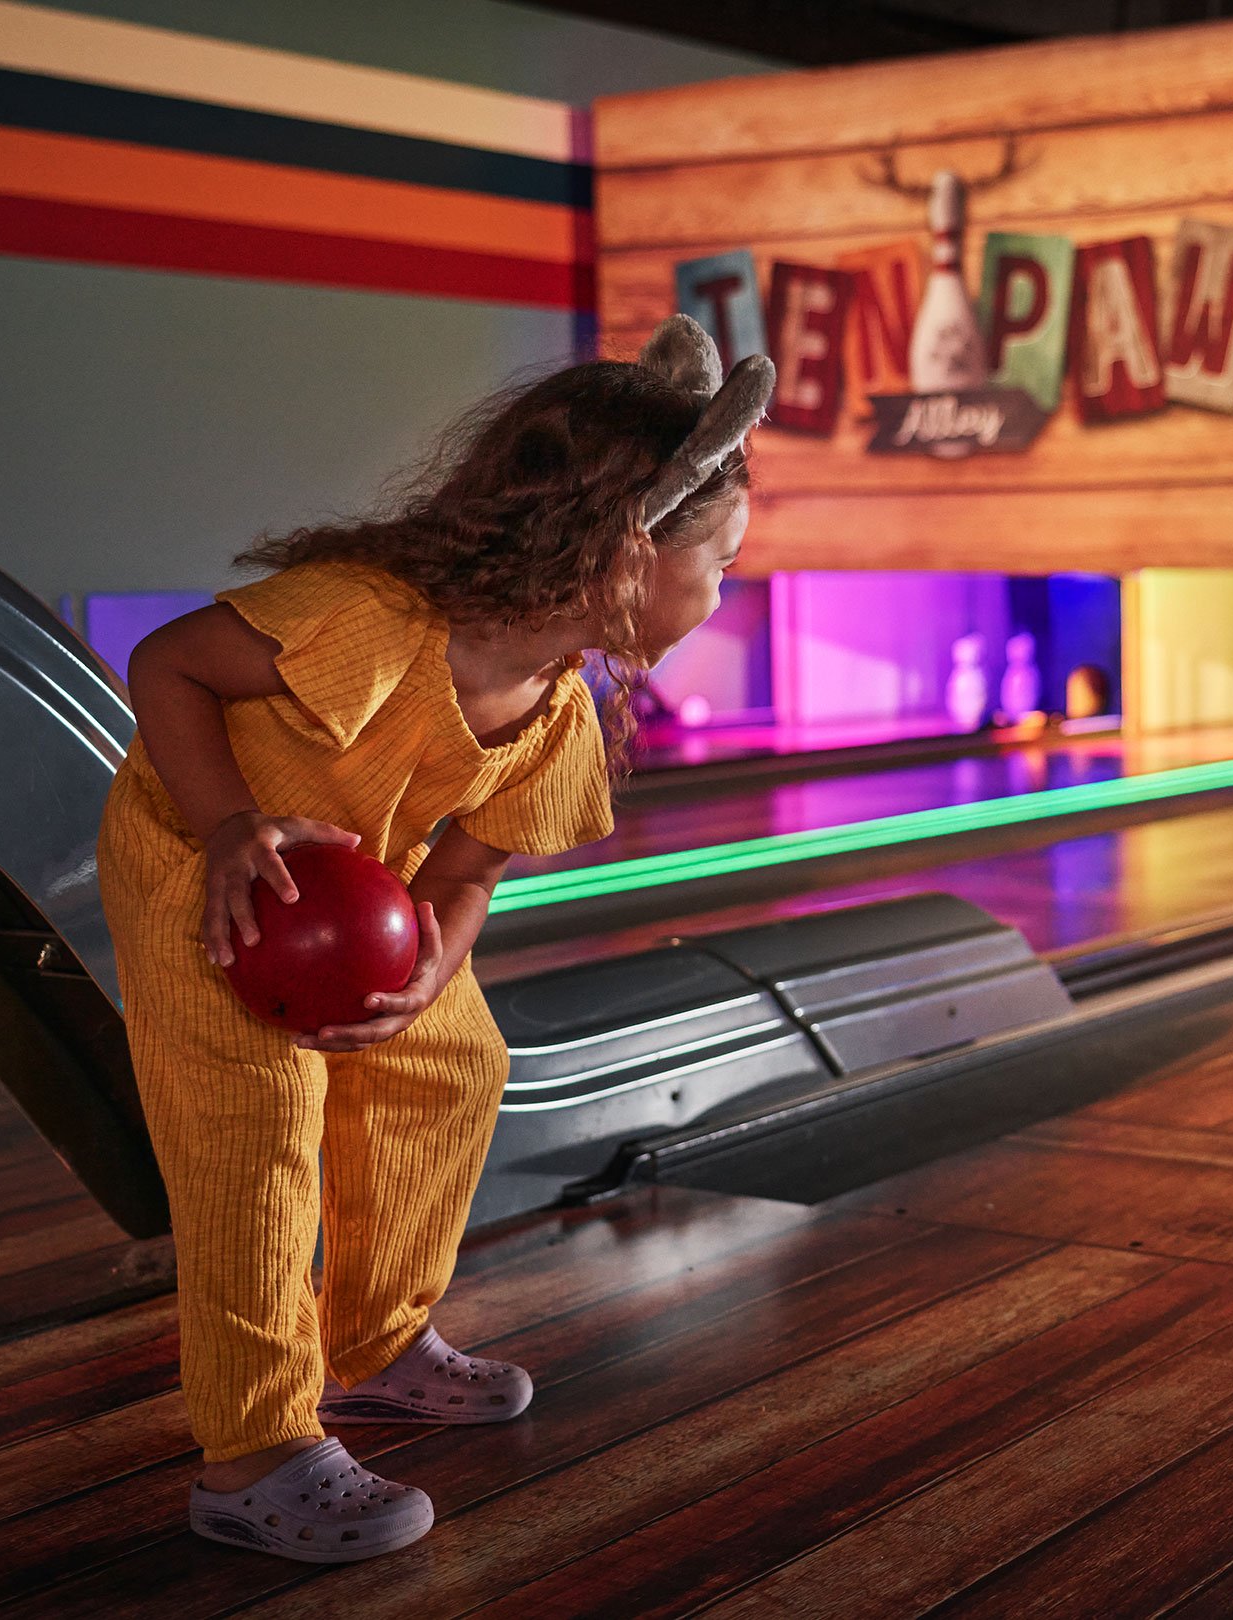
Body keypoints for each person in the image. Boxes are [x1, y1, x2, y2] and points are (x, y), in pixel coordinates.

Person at [99, 317, 770, 1563]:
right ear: (628, 552)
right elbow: (167, 666)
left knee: (455, 1066)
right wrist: (231, 829)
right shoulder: (367, 616)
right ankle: (252, 1454)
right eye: (720, 562)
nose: (730, 588)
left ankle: (375, 1342)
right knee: (258, 1137)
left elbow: (467, 872)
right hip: (206, 862)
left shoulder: (555, 708)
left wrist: (430, 975)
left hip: (366, 895)